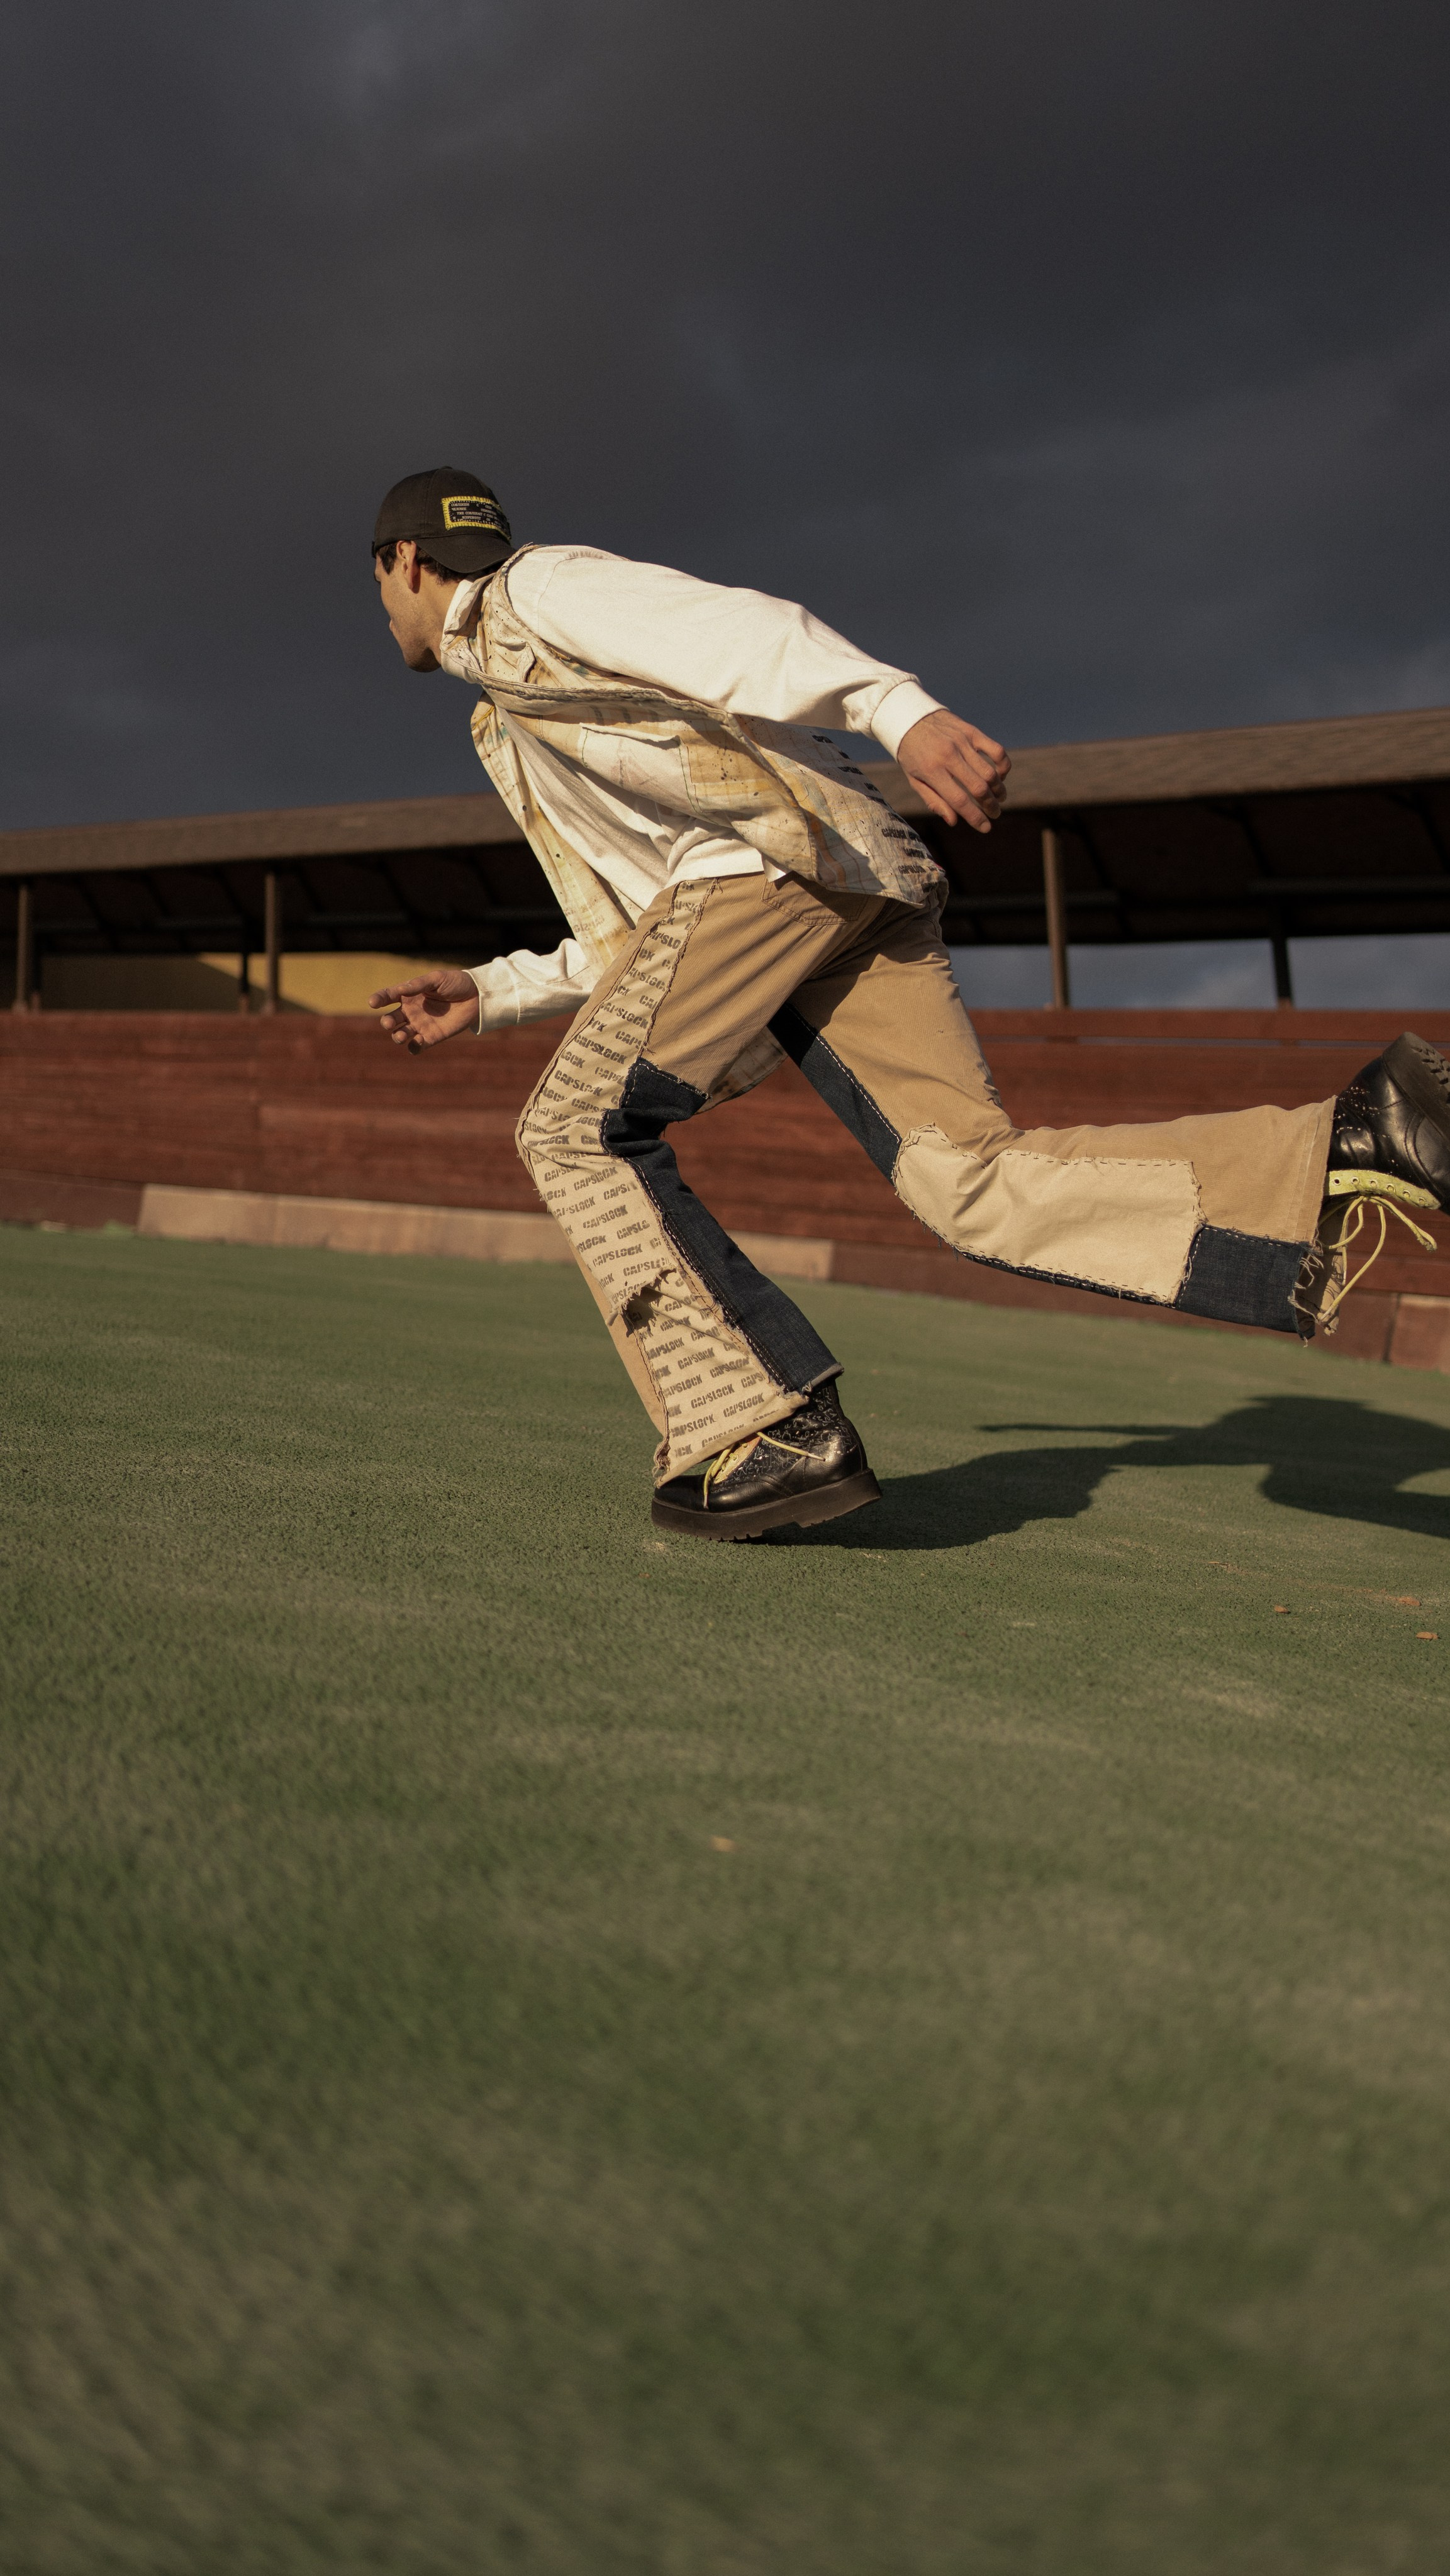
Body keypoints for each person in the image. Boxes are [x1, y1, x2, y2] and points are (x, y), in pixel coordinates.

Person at [367, 466, 1450, 1541]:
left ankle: (758, 1427)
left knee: (571, 1129)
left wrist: (900, 712)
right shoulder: (503, 709)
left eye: (377, 581)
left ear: (404, 562)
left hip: (768, 873)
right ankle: (1352, 1138)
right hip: (832, 876)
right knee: (961, 1180)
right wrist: (493, 987)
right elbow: (642, 920)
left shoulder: (535, 592)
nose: (382, 609)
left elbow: (735, 630)